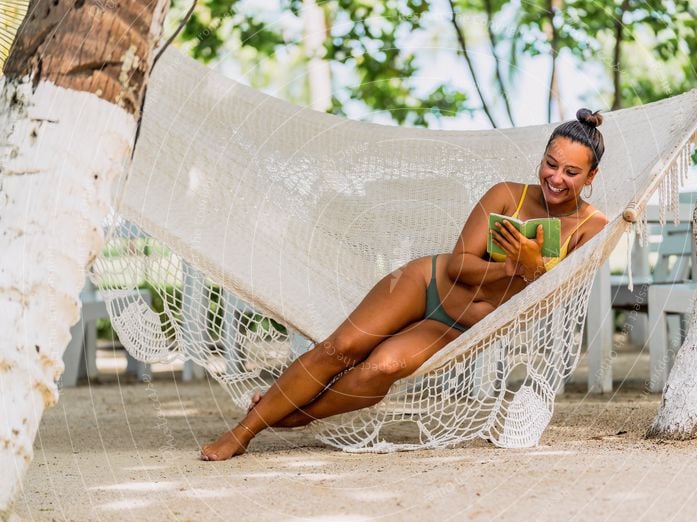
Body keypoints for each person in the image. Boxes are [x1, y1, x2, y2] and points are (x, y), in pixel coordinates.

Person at [200, 108, 610, 461]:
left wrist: (534, 269)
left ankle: (288, 416)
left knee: (383, 367)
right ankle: (243, 432)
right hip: (424, 283)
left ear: (591, 176)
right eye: (550, 164)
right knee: (341, 349)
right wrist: (511, 269)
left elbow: (552, 302)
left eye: (571, 172)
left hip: (458, 326)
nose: (556, 178)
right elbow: (457, 266)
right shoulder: (507, 195)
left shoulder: (593, 228)